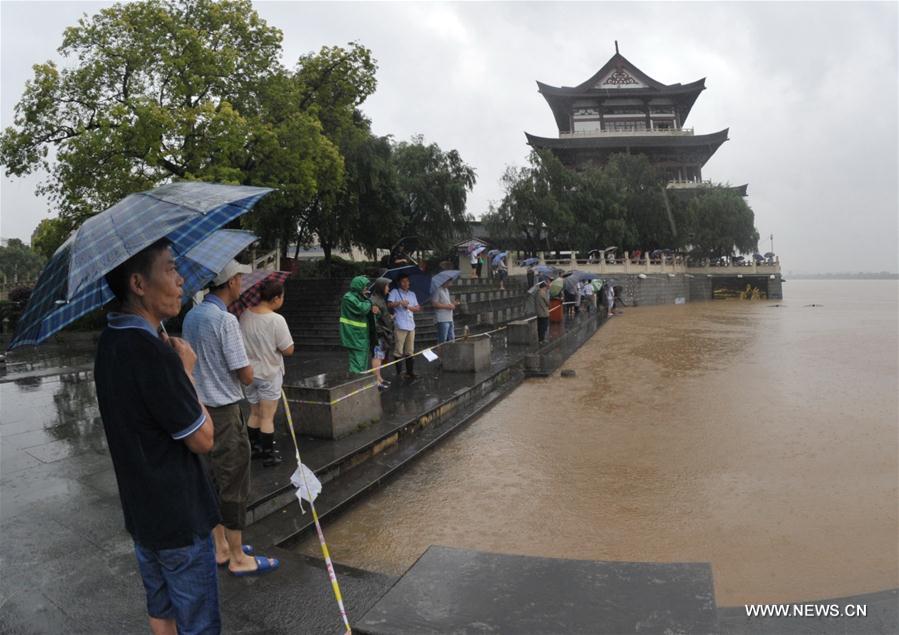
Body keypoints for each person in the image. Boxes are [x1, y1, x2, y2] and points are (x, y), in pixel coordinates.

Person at [95, 238, 222, 634]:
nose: (181, 279)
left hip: (143, 514)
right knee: (198, 623)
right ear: (138, 283)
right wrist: (184, 369)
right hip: (179, 516)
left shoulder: (111, 340)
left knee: (162, 611)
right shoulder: (154, 354)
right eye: (170, 269)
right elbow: (203, 438)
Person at [183, 259, 280, 577]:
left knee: (211, 478)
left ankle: (221, 546)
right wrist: (251, 366)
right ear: (232, 282)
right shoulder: (225, 321)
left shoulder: (192, 316)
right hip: (224, 412)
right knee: (235, 480)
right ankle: (238, 557)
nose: (243, 282)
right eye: (240, 276)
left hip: (200, 411)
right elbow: (245, 375)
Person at [239, 279, 294, 467]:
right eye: (283, 297)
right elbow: (288, 349)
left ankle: (253, 449)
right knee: (267, 417)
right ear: (276, 298)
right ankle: (269, 455)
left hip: (249, 373)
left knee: (254, 413)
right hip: (269, 373)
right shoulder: (276, 320)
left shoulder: (245, 315)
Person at [339, 275, 379, 375]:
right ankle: (355, 382)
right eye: (365, 286)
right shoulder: (348, 298)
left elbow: (368, 311)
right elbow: (362, 309)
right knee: (357, 362)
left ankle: (360, 381)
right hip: (353, 335)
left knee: (362, 361)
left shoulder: (360, 297)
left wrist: (374, 310)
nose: (366, 288)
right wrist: (370, 302)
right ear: (358, 286)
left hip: (361, 335)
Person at [387, 272, 421, 379]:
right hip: (400, 324)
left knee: (410, 350)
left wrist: (409, 307)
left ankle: (409, 372)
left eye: (407, 281)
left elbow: (417, 308)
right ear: (399, 283)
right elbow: (389, 304)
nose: (406, 283)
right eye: (403, 281)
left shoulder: (412, 294)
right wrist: (400, 303)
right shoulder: (395, 292)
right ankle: (399, 373)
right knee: (399, 350)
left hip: (411, 325)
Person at [369, 277, 394, 390]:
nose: (388, 288)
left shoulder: (381, 299)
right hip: (379, 333)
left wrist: (390, 318)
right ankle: (376, 381)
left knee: (380, 356)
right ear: (381, 287)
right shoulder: (374, 300)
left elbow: (382, 315)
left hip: (384, 332)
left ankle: (380, 378)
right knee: (377, 356)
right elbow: (374, 319)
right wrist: (381, 331)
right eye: (387, 286)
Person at [431, 278, 459, 344]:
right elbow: (434, 304)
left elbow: (446, 303)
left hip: (449, 318)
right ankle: (441, 353)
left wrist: (453, 304)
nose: (450, 284)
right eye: (449, 282)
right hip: (442, 318)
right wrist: (448, 306)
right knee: (442, 339)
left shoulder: (446, 290)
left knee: (451, 338)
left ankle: (451, 352)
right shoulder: (437, 290)